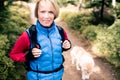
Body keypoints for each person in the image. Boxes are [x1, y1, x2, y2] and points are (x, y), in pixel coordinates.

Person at [9, 0, 71, 80]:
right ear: (37, 13)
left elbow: (64, 43)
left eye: (50, 12)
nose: (46, 16)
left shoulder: (60, 31)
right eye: (42, 12)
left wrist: (67, 45)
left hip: (58, 76)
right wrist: (28, 56)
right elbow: (14, 54)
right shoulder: (28, 35)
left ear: (55, 14)